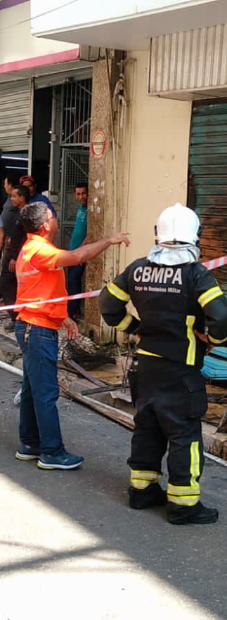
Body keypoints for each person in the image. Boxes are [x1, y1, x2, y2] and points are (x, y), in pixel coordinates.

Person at [99, 203, 227, 525]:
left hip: (145, 368)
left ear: (158, 235)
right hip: (180, 371)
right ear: (195, 236)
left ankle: (142, 491)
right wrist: (212, 340)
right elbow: (222, 317)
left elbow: (107, 304)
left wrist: (135, 328)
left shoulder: (137, 269)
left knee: (147, 428)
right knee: (184, 435)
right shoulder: (196, 275)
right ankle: (183, 505)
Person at [14, 202, 130, 470]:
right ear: (45, 225)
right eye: (53, 217)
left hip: (35, 324)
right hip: (37, 329)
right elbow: (78, 257)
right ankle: (52, 452)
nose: (56, 220)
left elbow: (38, 291)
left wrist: (63, 316)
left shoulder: (32, 248)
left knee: (33, 390)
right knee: (45, 392)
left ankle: (30, 443)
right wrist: (110, 240)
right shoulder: (40, 250)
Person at [1, 185, 30, 330]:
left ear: (22, 198)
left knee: (7, 283)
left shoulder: (26, 215)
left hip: (17, 256)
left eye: (14, 196)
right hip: (14, 253)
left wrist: (14, 257)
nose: (11, 198)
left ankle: (16, 316)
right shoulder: (20, 213)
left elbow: (23, 238)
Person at [67, 182, 89, 319]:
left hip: (79, 254)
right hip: (73, 252)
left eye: (84, 193)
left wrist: (81, 252)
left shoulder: (90, 211)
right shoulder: (81, 208)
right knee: (71, 281)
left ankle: (73, 311)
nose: (81, 197)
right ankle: (72, 308)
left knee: (74, 281)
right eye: (78, 193)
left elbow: (90, 234)